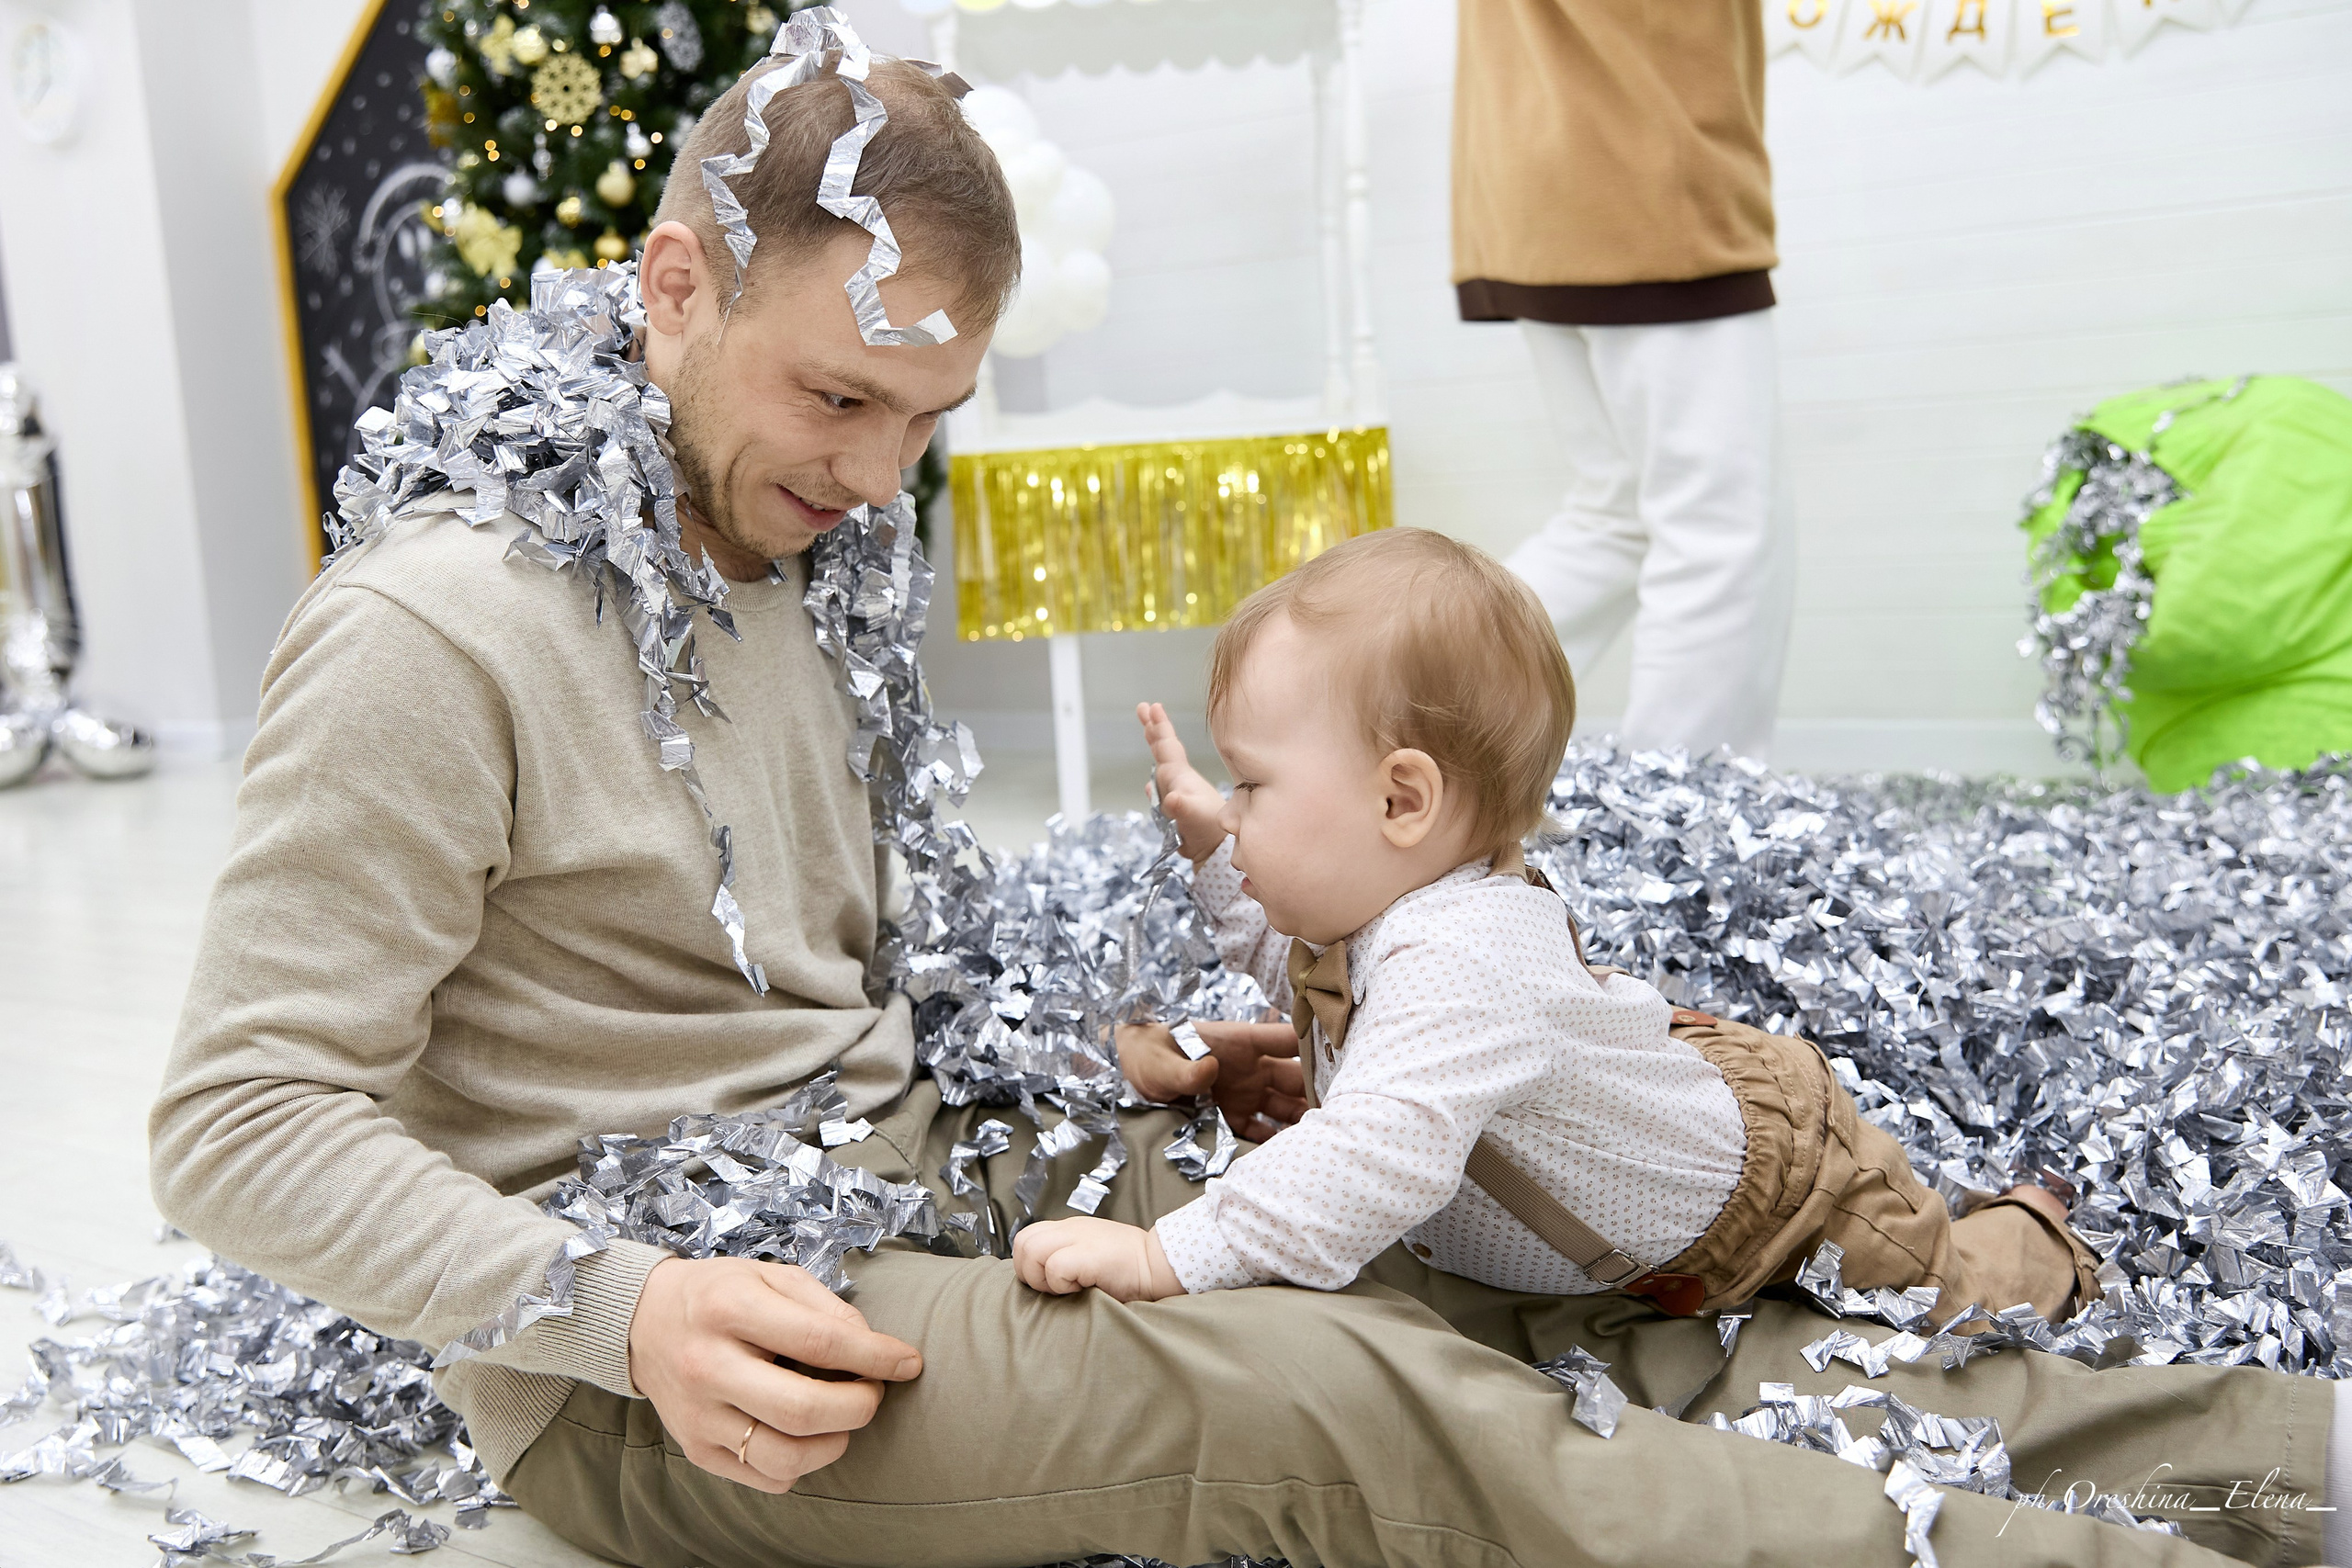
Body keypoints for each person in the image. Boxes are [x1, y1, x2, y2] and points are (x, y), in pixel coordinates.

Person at [149, 21, 2338, 1568]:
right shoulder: (434, 626)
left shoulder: (797, 549)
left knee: (1501, 1278)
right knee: (1360, 1406)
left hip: (920, 1167)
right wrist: (622, 1309)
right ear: (672, 284)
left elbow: (810, 975)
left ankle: (2281, 1463)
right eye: (835, 397)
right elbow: (234, 1121)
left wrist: (1125, 1062)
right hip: (680, 1354)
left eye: (924, 422)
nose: (876, 479)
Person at [1012, 531, 2094, 1326]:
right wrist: (1216, 848)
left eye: (1251, 783)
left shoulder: (1460, 962)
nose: (1236, 806)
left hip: (1775, 1198)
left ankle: (2035, 1232)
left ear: (1401, 801)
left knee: (1949, 1293)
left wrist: (1167, 1255)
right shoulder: (1381, 916)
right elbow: (1292, 968)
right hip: (1639, 1097)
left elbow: (1365, 1158)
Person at [1454, 0, 1793, 758]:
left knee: (1614, 514)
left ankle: (1409, 731)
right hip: (1648, 164)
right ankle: (1684, 808)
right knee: (1719, 523)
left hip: (1534, 176)